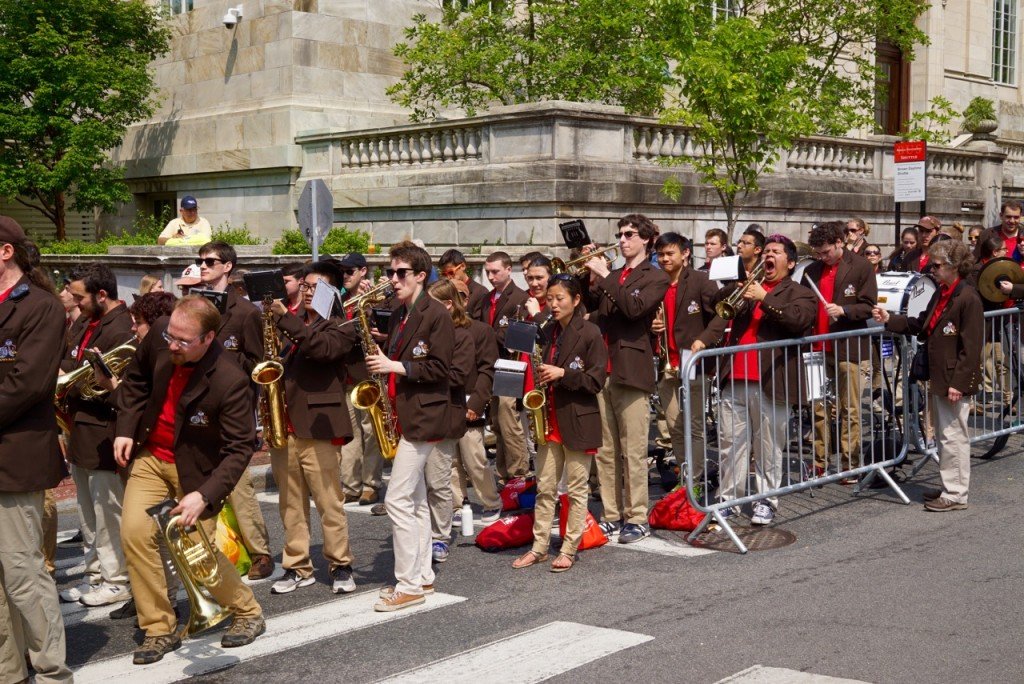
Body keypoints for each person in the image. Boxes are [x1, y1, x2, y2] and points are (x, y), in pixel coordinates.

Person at [114, 296, 265, 663]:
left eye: (183, 341)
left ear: (208, 338)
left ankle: (247, 612)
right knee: (134, 533)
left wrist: (204, 495)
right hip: (152, 457)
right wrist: (126, 428)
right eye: (171, 336)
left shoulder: (230, 381)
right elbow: (134, 381)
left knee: (197, 552)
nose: (172, 345)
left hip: (197, 471)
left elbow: (239, 449)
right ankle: (158, 628)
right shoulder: (163, 336)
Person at [697, 235, 817, 525]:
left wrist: (765, 297)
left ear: (790, 262)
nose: (769, 257)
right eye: (767, 252)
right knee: (731, 443)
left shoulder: (799, 292)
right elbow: (717, 306)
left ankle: (766, 499)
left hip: (770, 380)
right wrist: (734, 289)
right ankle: (729, 499)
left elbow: (799, 320)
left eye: (776, 253)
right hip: (734, 377)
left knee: (768, 446)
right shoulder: (749, 286)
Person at [0, 216, 72, 683]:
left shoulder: (40, 307)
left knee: (23, 574)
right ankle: (7, 671)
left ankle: (51, 672)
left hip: (16, 457)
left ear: (5, 251)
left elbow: (27, 384)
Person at [365, 241, 454, 612]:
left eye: (401, 273)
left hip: (426, 417)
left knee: (398, 499)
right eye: (389, 272)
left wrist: (394, 366)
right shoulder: (401, 313)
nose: (393, 279)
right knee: (414, 501)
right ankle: (422, 577)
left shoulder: (436, 314)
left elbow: (440, 368)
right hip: (409, 415)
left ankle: (408, 584)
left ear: (420, 275)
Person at [266, 262, 359, 595]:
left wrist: (284, 319)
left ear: (330, 291)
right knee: (290, 503)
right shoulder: (293, 325)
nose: (305, 291)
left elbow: (320, 349)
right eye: (302, 285)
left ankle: (341, 563)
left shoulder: (342, 325)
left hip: (319, 425)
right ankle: (296, 565)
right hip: (286, 424)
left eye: (312, 286)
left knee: (328, 501)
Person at [873, 240, 983, 511]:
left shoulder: (968, 297)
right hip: (941, 375)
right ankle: (950, 486)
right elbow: (920, 324)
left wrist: (959, 382)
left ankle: (956, 493)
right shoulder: (944, 292)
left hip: (953, 378)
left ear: (954, 266)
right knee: (946, 435)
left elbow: (972, 347)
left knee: (953, 436)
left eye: (936, 265)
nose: (932, 270)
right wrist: (889, 318)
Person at [512, 274, 607, 572]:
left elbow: (596, 380)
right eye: (549, 299)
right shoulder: (547, 330)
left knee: (577, 490)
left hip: (578, 419)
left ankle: (569, 547)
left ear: (576, 300)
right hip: (549, 419)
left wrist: (563, 374)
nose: (552, 304)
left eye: (559, 298)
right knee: (545, 488)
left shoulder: (590, 332)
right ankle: (539, 546)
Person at [585, 213, 669, 543]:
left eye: (630, 234)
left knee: (633, 450)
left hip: (631, 370)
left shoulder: (654, 277)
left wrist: (605, 274)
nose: (622, 240)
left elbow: (634, 310)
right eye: (620, 234)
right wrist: (589, 277)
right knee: (605, 450)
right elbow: (592, 309)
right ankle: (610, 513)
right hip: (601, 368)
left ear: (646, 239)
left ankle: (637, 516)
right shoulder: (615, 274)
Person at [193, 241, 274, 580]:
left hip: (233, 406)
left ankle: (260, 552)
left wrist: (230, 361)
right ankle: (212, 550)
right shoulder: (195, 305)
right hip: (198, 402)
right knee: (200, 478)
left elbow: (259, 363)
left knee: (238, 483)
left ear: (227, 266)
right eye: (200, 262)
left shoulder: (245, 312)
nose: (203, 267)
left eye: (210, 262)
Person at [58, 264, 135, 608]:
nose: (75, 302)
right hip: (80, 429)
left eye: (79, 296)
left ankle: (116, 578)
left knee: (107, 514)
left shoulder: (121, 329)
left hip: (104, 432)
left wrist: (69, 378)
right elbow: (69, 357)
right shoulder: (85, 322)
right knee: (88, 517)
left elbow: (118, 387)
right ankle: (95, 575)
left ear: (101, 295)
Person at [802, 222, 878, 482]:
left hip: (848, 348)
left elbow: (869, 305)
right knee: (818, 408)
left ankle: (850, 464)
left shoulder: (861, 266)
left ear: (839, 243)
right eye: (818, 253)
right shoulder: (811, 270)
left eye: (825, 252)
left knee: (850, 409)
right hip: (817, 347)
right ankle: (820, 462)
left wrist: (844, 310)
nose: (822, 258)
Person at [652, 233, 721, 487]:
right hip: (665, 362)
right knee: (673, 425)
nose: (665, 259)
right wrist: (652, 325)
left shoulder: (701, 281)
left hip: (692, 360)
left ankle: (697, 477)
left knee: (693, 423)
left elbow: (722, 314)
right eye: (661, 254)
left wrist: (703, 340)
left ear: (685, 254)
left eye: (670, 253)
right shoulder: (656, 283)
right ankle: (685, 474)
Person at [424, 279, 474, 563]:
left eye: (431, 304)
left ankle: (440, 536)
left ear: (447, 305)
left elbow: (458, 375)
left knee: (438, 480)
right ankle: (422, 532)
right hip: (421, 414)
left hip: (445, 413)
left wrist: (419, 371)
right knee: (419, 482)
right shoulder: (427, 331)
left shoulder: (462, 335)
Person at [337, 253, 384, 506]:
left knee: (371, 431)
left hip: (368, 371)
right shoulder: (339, 299)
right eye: (342, 271)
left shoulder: (375, 296)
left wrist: (368, 306)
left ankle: (371, 484)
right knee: (351, 432)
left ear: (363, 271)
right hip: (345, 372)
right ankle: (350, 484)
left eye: (350, 271)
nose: (345, 275)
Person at [482, 251, 531, 483]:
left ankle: (519, 470)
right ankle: (503, 472)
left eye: (495, 272)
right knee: (496, 421)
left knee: (508, 419)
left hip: (510, 365)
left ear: (509, 270)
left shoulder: (520, 297)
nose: (491, 276)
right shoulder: (487, 298)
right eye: (488, 272)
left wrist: (486, 335)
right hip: (491, 363)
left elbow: (515, 337)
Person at [439, 248, 489, 321]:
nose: (448, 277)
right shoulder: (444, 290)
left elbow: (480, 325)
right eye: (444, 274)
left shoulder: (480, 292)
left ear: (462, 266)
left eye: (451, 273)